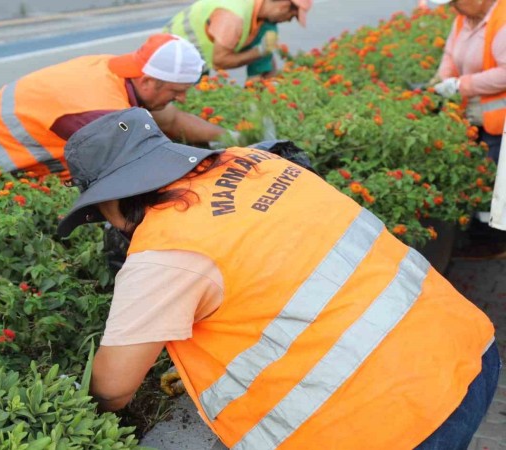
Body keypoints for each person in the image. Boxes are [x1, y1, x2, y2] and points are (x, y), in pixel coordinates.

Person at [57, 107, 500, 449]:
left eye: (101, 212)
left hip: (389, 426)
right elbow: (275, 271)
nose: (110, 225)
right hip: (466, 354)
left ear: (113, 197)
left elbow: (113, 389)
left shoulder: (164, 249)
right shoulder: (256, 163)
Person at [0, 34, 229, 195]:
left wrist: (233, 141)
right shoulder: (100, 111)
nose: (182, 98)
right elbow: (138, 171)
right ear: (148, 80)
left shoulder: (116, 71)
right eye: (176, 92)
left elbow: (172, 120)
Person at [430, 0, 506, 163]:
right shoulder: (463, 19)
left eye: (456, 1)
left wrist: (461, 85)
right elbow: (450, 54)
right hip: (473, 119)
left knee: (496, 180)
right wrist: (444, 78)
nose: (453, 7)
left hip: (500, 127)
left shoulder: (503, 19)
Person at [164, 0, 312, 80]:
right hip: (170, 59)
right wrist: (259, 51)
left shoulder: (261, 20)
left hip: (194, 61)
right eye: (292, 16)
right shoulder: (234, 16)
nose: (288, 21)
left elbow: (266, 65)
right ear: (284, 5)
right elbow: (220, 61)